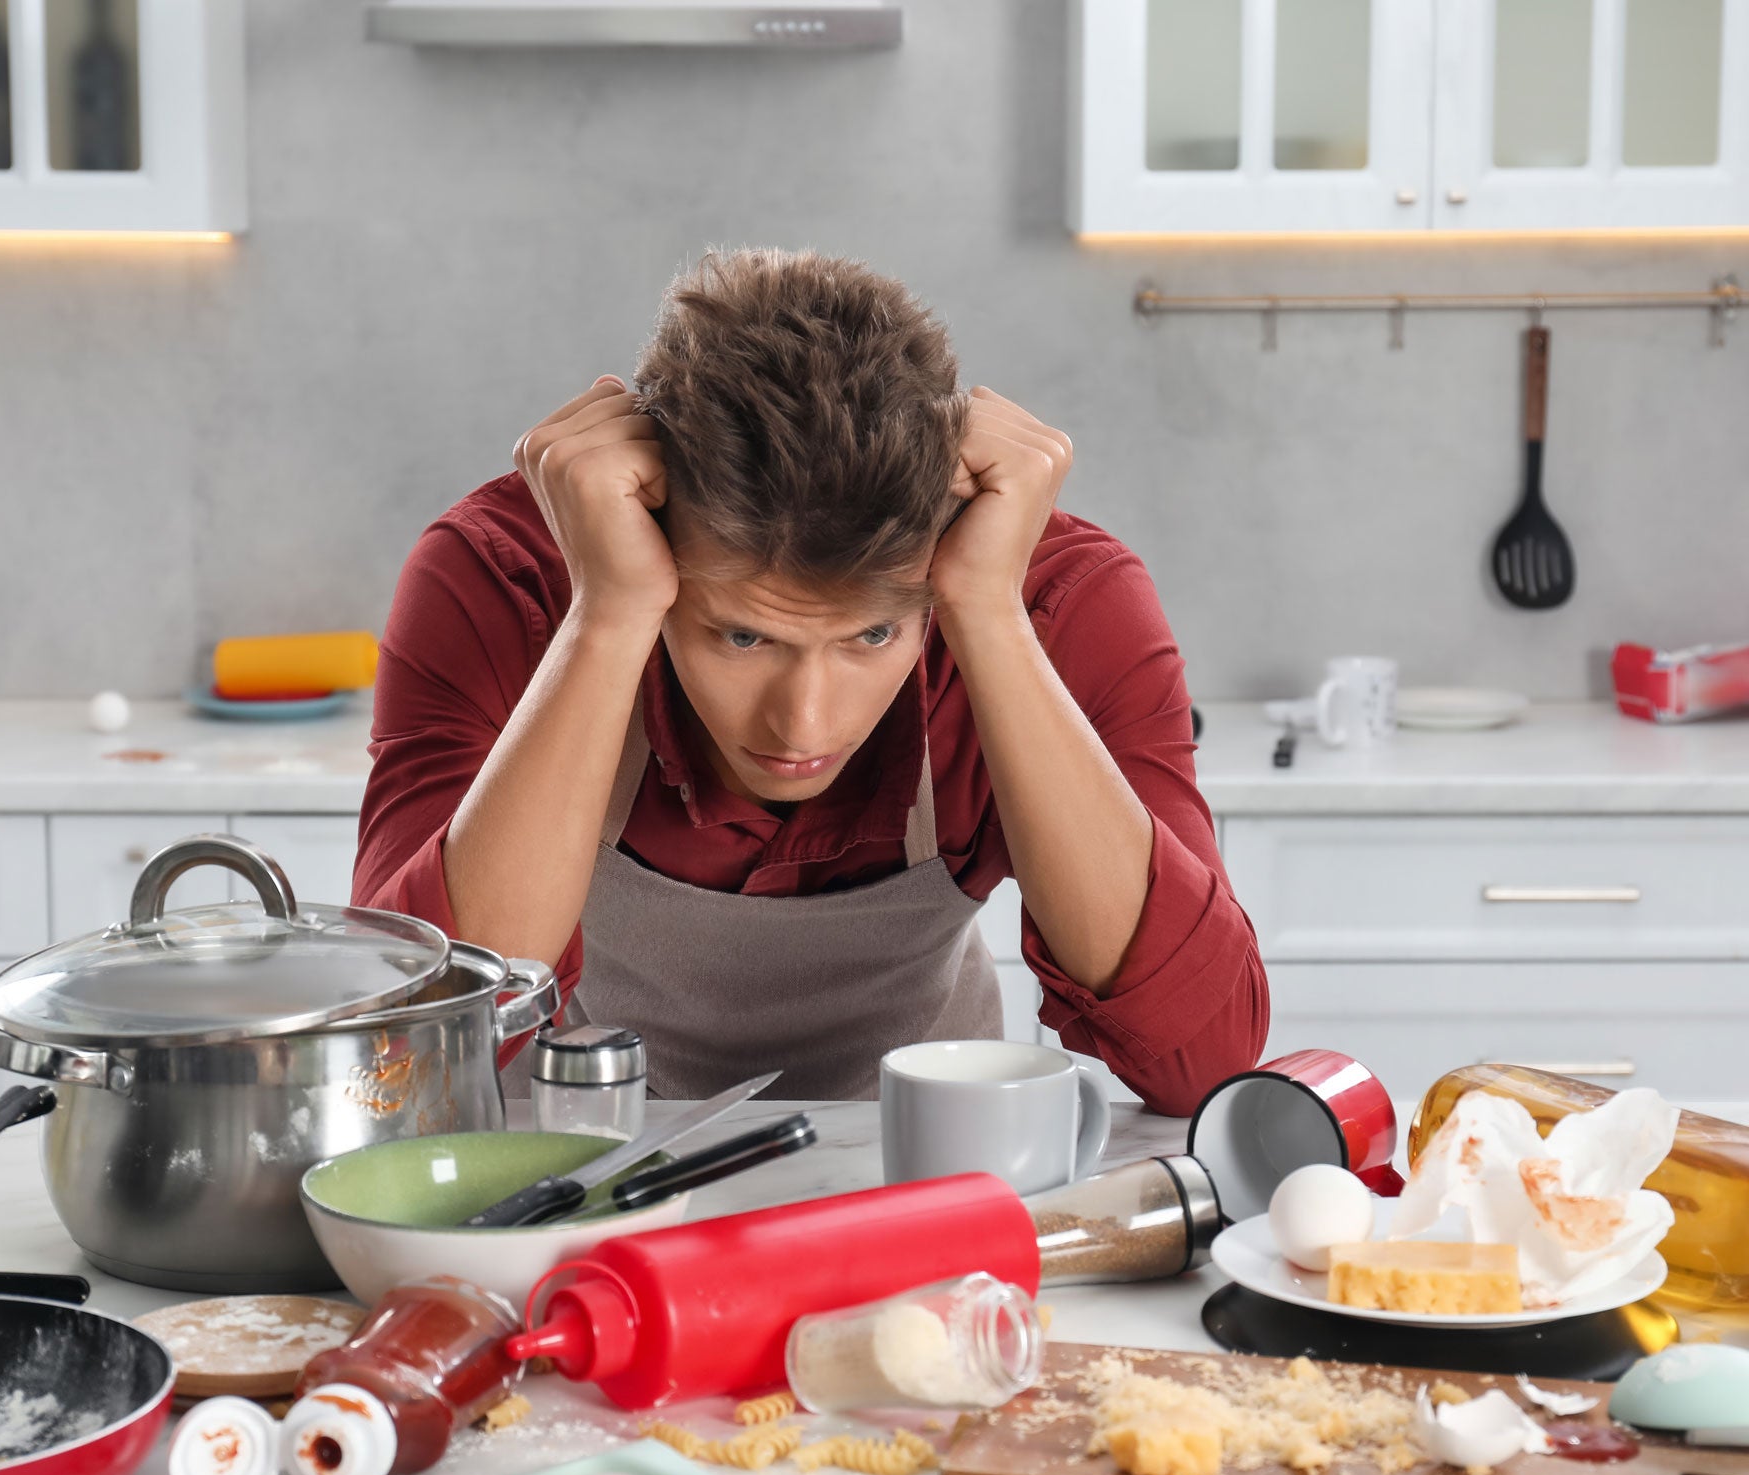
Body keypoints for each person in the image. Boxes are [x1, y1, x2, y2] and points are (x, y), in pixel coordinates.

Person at [354, 248, 1267, 1113]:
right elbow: (400, 1057)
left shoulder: (1054, 596)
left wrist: (987, 609)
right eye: (742, 636)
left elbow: (1205, 1057)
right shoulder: (506, 576)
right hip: (574, 1169)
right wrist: (607, 615)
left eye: (873, 634)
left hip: (916, 1177)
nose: (803, 725)